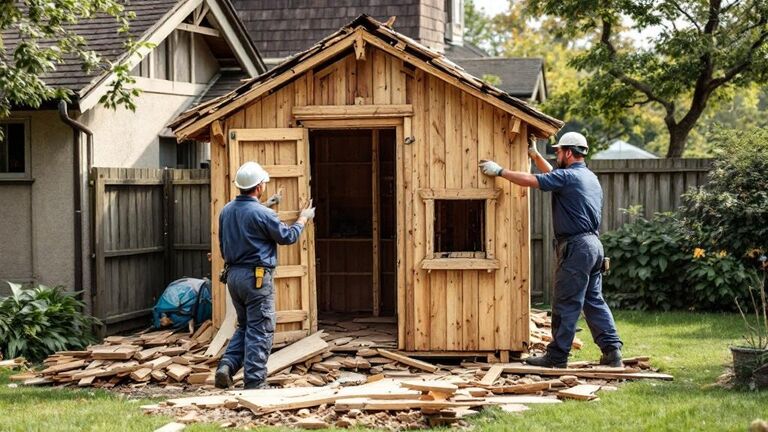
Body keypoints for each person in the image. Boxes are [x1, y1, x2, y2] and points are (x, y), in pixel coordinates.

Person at [479, 132, 623, 368]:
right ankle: (612, 352)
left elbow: (533, 181)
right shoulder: (588, 177)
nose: (556, 155)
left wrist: (500, 172)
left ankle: (556, 357)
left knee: (566, 302)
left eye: (557, 152)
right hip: (594, 247)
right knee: (593, 300)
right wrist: (535, 155)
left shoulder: (568, 177)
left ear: (568, 152)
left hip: (576, 247)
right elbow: (554, 176)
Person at [214, 161, 316, 389]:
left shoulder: (227, 211)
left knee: (246, 325)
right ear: (259, 187)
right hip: (256, 279)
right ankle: (255, 383)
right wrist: (303, 218)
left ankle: (227, 366)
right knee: (260, 330)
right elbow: (287, 237)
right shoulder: (263, 213)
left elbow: (231, 236)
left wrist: (269, 205)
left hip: (234, 277)